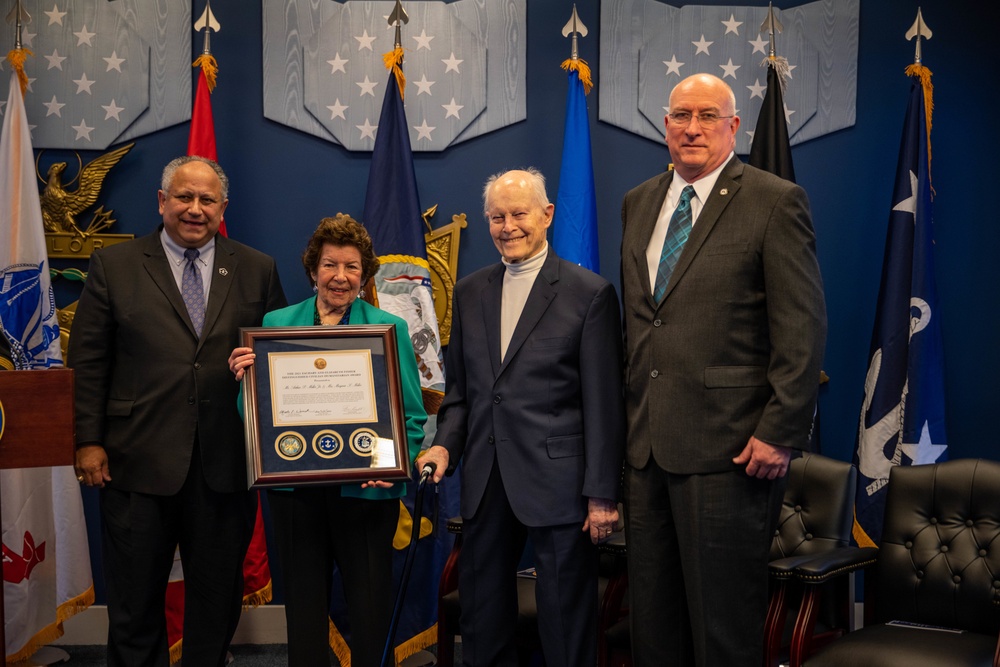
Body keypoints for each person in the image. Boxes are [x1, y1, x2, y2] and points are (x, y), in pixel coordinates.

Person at [619, 72, 827, 666]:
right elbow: (643, 326)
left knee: (722, 632)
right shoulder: (638, 202)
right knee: (653, 630)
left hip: (733, 451)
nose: (692, 128)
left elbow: (802, 327)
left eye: (707, 116)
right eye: (681, 116)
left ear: (733, 126)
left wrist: (780, 431)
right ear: (665, 126)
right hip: (646, 449)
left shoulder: (774, 200)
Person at [69, 155, 287, 666]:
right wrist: (87, 440)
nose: (195, 209)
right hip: (134, 460)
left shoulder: (257, 268)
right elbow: (88, 360)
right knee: (133, 601)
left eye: (207, 200)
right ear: (162, 201)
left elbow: (277, 362)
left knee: (216, 600)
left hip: (224, 464)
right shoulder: (115, 264)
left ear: (222, 207)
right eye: (184, 197)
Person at [419, 168, 625, 667]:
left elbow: (604, 403)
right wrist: (446, 443)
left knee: (563, 616)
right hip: (485, 481)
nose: (507, 226)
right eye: (496, 217)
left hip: (560, 483)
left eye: (518, 214)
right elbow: (462, 394)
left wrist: (602, 493)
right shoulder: (470, 292)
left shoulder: (589, 294)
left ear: (547, 215)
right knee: (482, 614)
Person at [228, 214, 427, 667]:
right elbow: (256, 419)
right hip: (295, 492)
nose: (340, 277)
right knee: (303, 610)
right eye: (330, 265)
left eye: (352, 267)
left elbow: (411, 417)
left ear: (365, 273)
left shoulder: (387, 328)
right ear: (313, 269)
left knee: (371, 606)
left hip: (365, 493)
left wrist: (387, 463)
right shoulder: (277, 323)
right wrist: (244, 382)